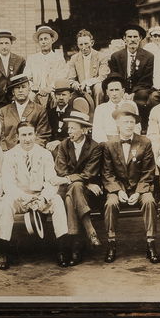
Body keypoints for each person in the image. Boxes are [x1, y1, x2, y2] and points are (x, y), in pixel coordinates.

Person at [0, 122, 66, 269]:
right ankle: (2, 251)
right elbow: (8, 185)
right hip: (19, 198)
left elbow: (51, 181)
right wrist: (25, 198)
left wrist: (42, 198)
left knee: (57, 201)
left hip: (39, 197)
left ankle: (63, 249)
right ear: (18, 137)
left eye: (30, 134)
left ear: (36, 135)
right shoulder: (9, 155)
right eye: (23, 135)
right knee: (6, 204)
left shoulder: (45, 154)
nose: (27, 139)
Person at [49, 110, 105, 265]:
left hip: (87, 191)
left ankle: (71, 246)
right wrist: (77, 180)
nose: (69, 131)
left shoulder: (95, 147)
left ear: (84, 130)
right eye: (69, 128)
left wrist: (77, 180)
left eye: (73, 128)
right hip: (73, 187)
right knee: (72, 192)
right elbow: (61, 170)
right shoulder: (64, 145)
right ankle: (88, 232)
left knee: (71, 196)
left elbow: (89, 173)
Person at [100, 109, 156, 263]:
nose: (129, 125)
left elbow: (148, 171)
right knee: (110, 204)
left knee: (149, 201)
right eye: (125, 122)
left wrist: (139, 192)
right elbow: (107, 173)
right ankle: (111, 243)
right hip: (118, 188)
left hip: (140, 186)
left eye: (132, 122)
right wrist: (118, 191)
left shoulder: (145, 142)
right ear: (118, 124)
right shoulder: (109, 145)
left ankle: (151, 243)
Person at [106, 25, 157, 125]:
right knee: (113, 94)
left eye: (135, 37)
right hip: (122, 88)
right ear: (124, 39)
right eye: (129, 37)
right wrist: (122, 91)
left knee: (142, 96)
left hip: (140, 89)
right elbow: (115, 77)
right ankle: (115, 124)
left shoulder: (149, 57)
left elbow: (146, 80)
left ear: (140, 38)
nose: (132, 40)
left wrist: (133, 93)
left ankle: (141, 125)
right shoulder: (116, 56)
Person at [0, 74, 49, 151]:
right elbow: (1, 135)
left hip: (32, 152)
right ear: (13, 92)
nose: (20, 90)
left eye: (23, 87)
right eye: (17, 88)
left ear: (29, 90)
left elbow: (43, 135)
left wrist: (32, 151)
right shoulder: (4, 111)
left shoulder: (39, 110)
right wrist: (5, 151)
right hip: (9, 152)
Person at [65, 28, 109, 104]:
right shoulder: (74, 58)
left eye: (86, 44)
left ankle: (98, 111)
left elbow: (103, 76)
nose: (84, 48)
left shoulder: (101, 57)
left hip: (95, 87)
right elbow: (71, 78)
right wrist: (75, 84)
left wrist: (87, 83)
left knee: (98, 88)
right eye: (81, 45)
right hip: (81, 88)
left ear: (92, 43)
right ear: (77, 45)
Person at [0, 29, 25, 109]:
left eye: (7, 43)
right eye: (1, 43)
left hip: (16, 99)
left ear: (11, 44)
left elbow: (22, 81)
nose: (4, 46)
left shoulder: (20, 60)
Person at [91, 75, 136, 143]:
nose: (114, 93)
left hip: (127, 142)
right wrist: (109, 146)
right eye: (111, 90)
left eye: (117, 90)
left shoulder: (131, 105)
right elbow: (97, 133)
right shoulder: (101, 109)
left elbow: (137, 127)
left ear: (123, 91)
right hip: (107, 145)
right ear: (107, 92)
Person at [27, 26, 68, 95]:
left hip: (53, 92)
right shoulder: (32, 59)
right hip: (35, 92)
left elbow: (62, 77)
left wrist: (50, 88)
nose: (43, 42)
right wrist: (32, 86)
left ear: (52, 40)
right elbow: (26, 77)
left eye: (46, 39)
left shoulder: (59, 59)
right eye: (41, 39)